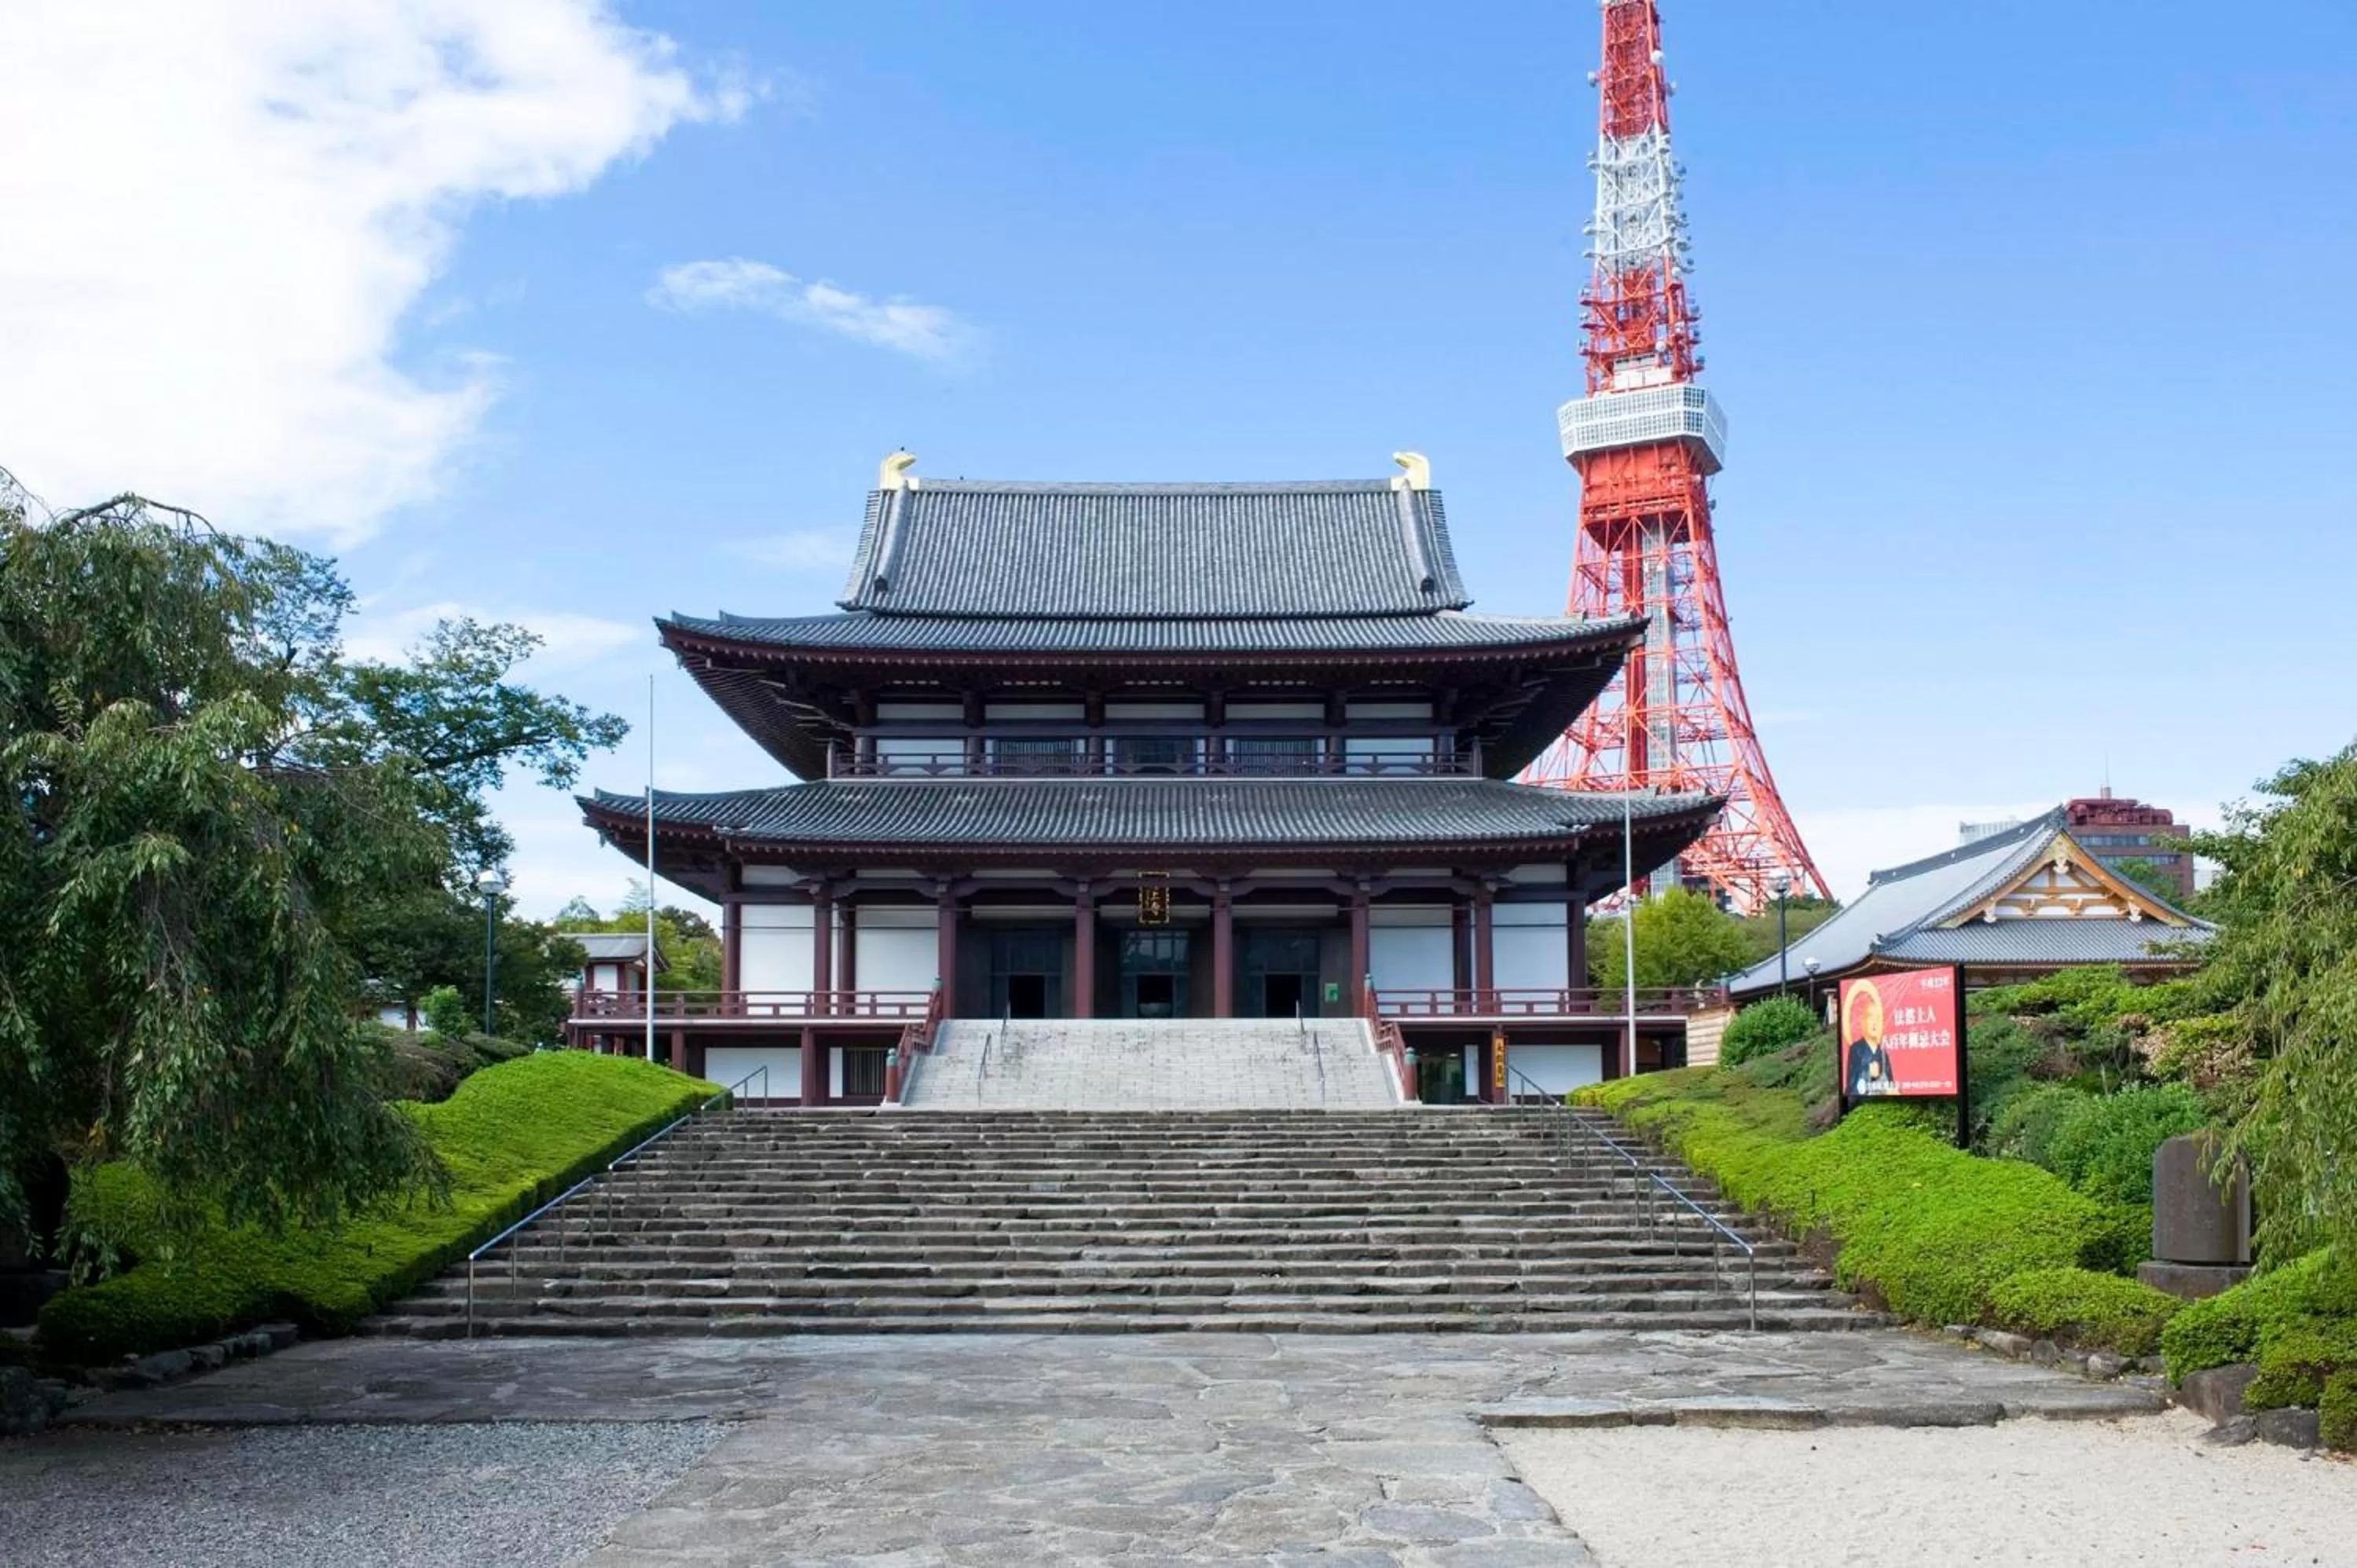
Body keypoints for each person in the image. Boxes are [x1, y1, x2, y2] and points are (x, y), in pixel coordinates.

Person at [1842, 982, 1893, 1099]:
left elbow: (1890, 1084)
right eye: (1870, 1017)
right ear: (1862, 1021)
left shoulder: (1883, 1053)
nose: (1875, 1022)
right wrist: (1867, 1073)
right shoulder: (1856, 1050)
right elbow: (1852, 1087)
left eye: (1878, 1017)